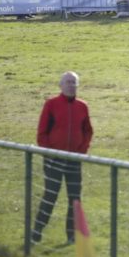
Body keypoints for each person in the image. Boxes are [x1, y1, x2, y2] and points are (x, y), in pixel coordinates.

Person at [32, 71, 93, 245]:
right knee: (50, 196)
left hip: (74, 160)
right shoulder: (51, 104)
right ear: (60, 85)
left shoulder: (83, 106)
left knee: (75, 199)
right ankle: (36, 232)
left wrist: (81, 150)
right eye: (67, 82)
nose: (71, 85)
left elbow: (87, 131)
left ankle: (72, 236)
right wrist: (49, 153)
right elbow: (42, 132)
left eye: (74, 82)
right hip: (54, 160)